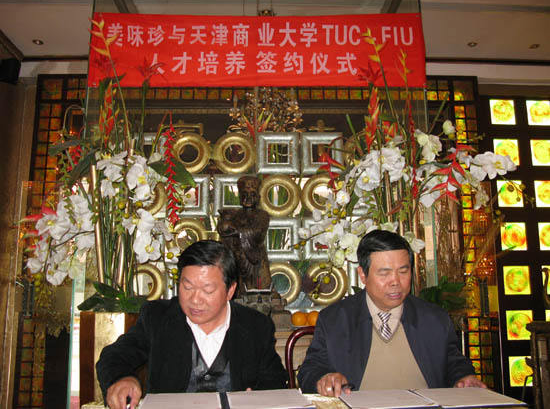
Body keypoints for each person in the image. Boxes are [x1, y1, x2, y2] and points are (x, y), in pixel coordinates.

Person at [96, 240, 287, 409]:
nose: (195, 300)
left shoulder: (256, 326)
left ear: (230, 290)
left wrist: (258, 399)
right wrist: (121, 379)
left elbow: (274, 381)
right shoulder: (158, 318)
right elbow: (114, 357)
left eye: (207, 290)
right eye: (187, 287)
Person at [297, 229, 486, 397]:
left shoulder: (434, 318)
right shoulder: (335, 319)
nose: (395, 282)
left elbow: (453, 362)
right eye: (384, 273)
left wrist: (464, 377)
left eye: (403, 271)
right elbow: (310, 370)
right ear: (363, 275)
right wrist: (323, 378)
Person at [217, 175, 271, 297]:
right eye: (244, 195)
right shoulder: (235, 214)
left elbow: (257, 231)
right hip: (236, 257)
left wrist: (236, 230)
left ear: (258, 197)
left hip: (254, 257)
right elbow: (223, 230)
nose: (248, 198)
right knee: (236, 287)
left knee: (257, 288)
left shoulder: (262, 215)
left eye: (252, 195)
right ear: (240, 197)